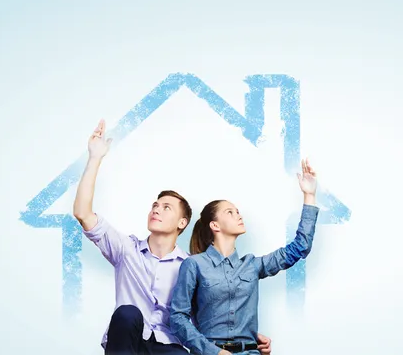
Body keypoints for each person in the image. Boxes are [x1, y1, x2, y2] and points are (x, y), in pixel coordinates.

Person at [73, 120, 273, 355]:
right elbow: (82, 213)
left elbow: (208, 316)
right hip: (128, 341)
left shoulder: (191, 266)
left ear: (182, 223)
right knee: (128, 313)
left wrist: (246, 337)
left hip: (168, 345)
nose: (156, 209)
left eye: (166, 207)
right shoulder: (125, 249)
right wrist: (95, 157)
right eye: (155, 205)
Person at [169, 158, 320, 354]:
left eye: (238, 211)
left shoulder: (252, 265)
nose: (239, 215)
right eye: (230, 212)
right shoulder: (194, 264)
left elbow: (300, 247)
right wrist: (214, 352)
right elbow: (178, 317)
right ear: (215, 225)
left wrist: (309, 195)